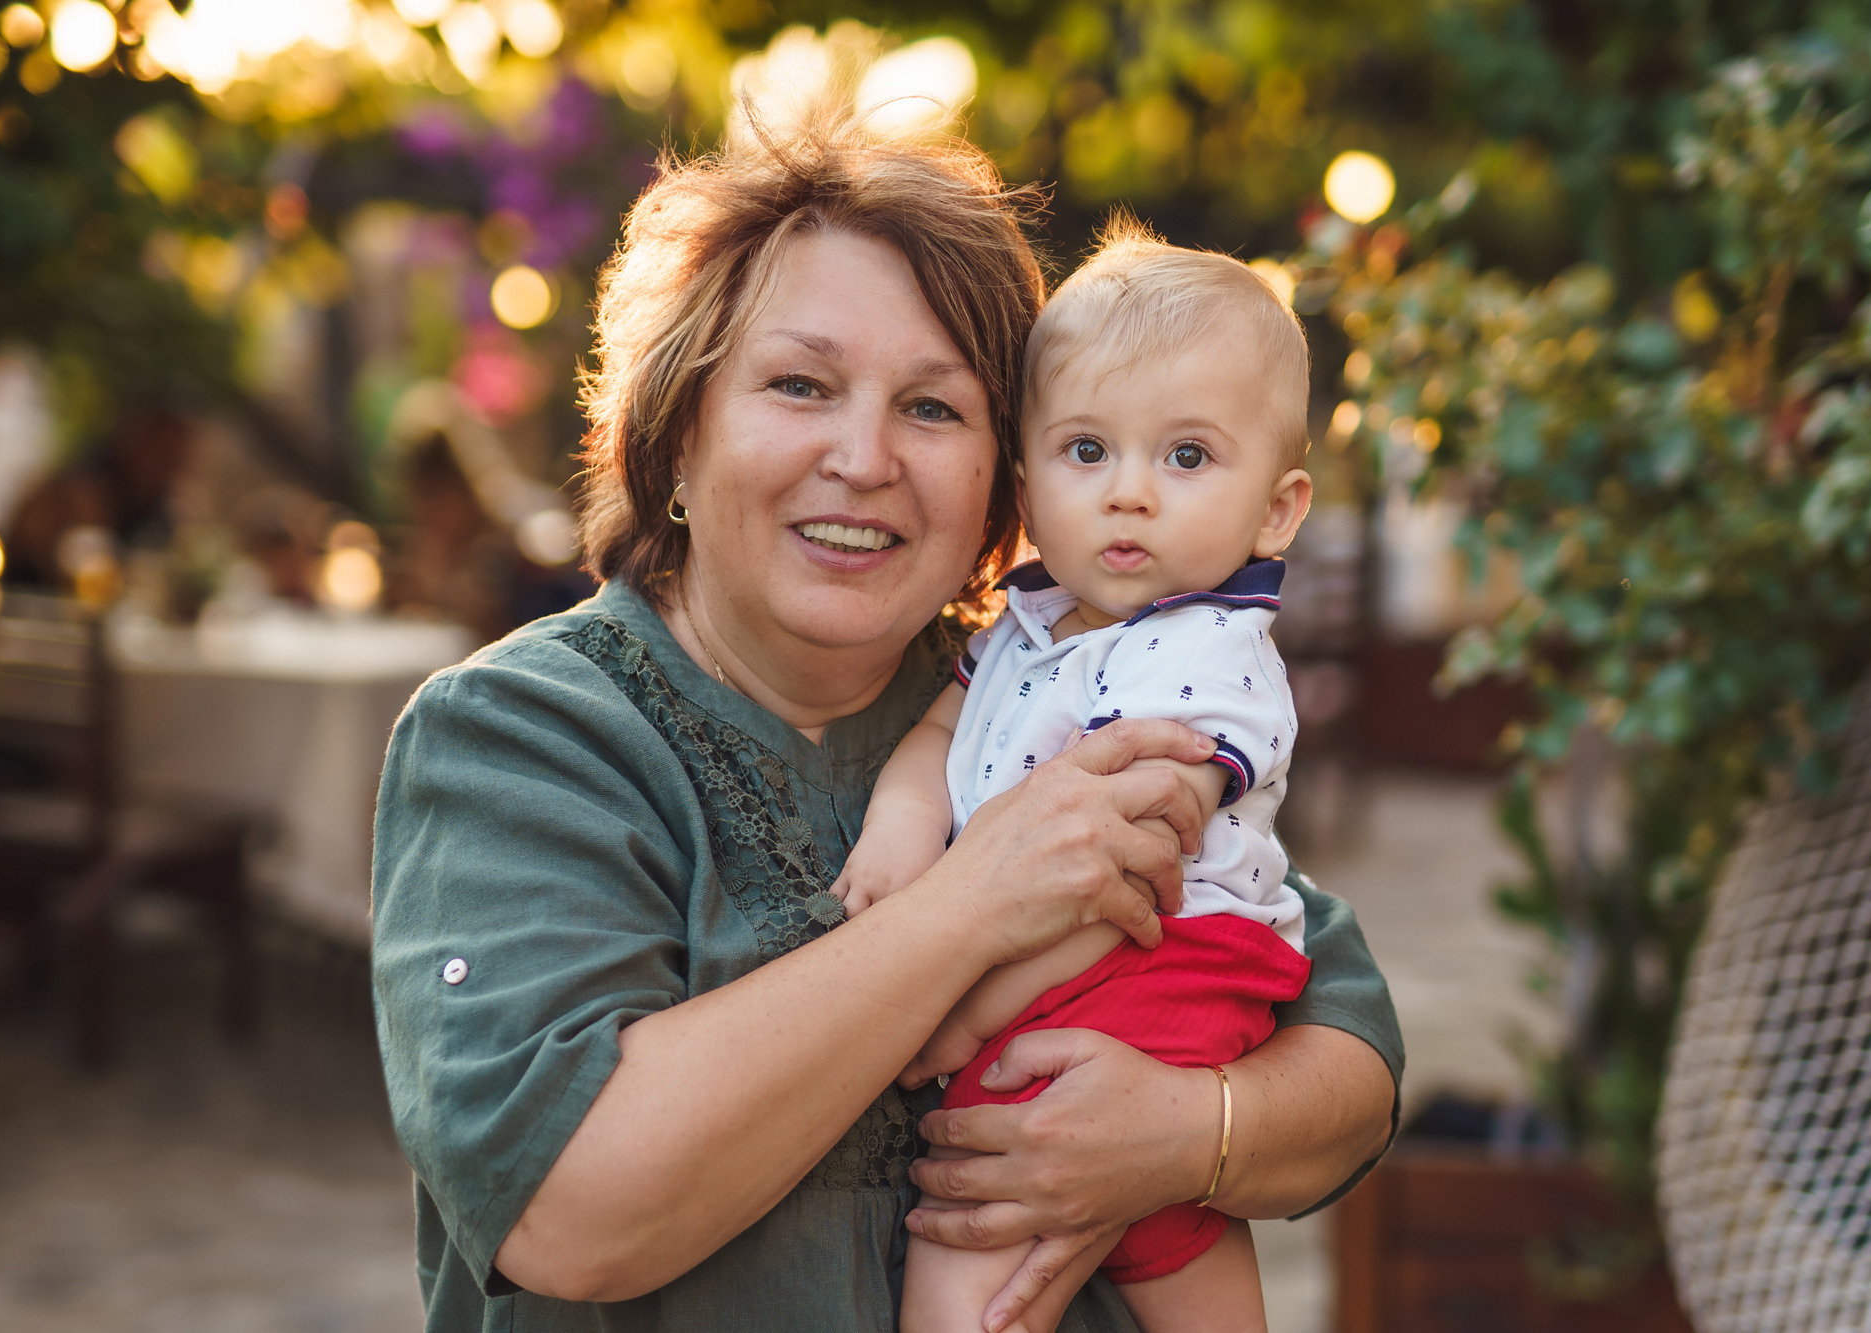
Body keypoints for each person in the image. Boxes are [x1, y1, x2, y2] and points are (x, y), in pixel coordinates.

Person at [370, 120, 1403, 1333]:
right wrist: (974, 904)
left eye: (931, 407)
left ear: (999, 487)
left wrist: (1182, 1135)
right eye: (799, 384)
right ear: (678, 432)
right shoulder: (524, 734)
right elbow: (570, 1210)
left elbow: (1347, 1046)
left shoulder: (1043, 688)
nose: (861, 459)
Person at [837, 226, 1318, 1333]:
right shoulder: (1032, 624)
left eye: (1186, 457)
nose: (1129, 495)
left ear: (1276, 508)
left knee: (974, 1243)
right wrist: (904, 823)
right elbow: (945, 724)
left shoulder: (1212, 656)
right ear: (1024, 480)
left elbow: (1135, 874)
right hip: (1066, 975)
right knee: (1132, 1258)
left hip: (1162, 969)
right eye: (1086, 451)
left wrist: (966, 1019)